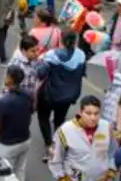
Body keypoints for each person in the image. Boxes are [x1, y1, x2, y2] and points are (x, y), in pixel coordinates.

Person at [36, 30, 87, 162]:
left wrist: (40, 60)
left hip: (49, 95)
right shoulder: (81, 55)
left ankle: (49, 145)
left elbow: (40, 73)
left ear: (61, 40)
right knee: (59, 120)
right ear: (75, 40)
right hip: (68, 96)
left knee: (44, 119)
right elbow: (83, 73)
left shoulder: (51, 56)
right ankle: (58, 145)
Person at [48, 96, 117, 181]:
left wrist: (111, 169)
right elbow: (55, 159)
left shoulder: (106, 127)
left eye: (96, 113)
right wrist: (60, 177)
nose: (93, 118)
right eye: (88, 113)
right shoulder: (66, 130)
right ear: (80, 112)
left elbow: (113, 152)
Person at [0, 65, 34, 181]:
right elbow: (33, 109)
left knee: (6, 173)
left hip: (8, 144)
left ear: (10, 79)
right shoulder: (29, 94)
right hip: (25, 139)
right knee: (20, 169)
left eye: (6, 75)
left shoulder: (4, 101)